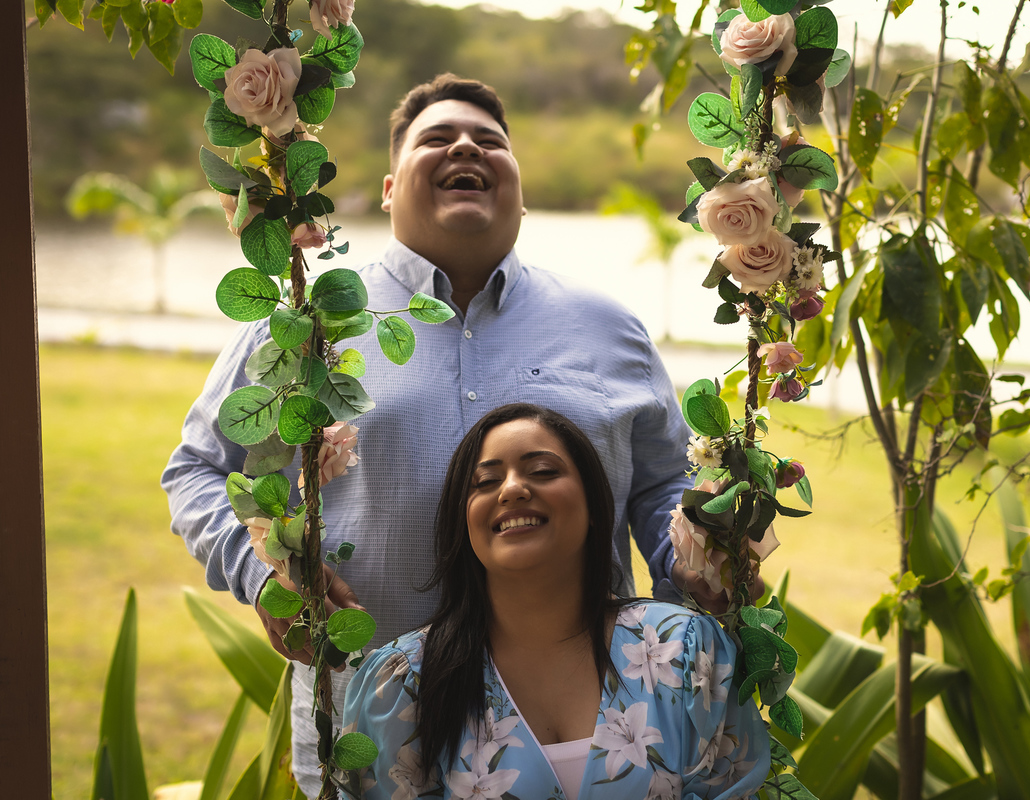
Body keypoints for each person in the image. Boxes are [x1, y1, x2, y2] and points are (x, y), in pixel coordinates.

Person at [162, 74, 720, 797]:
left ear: (517, 185)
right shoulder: (307, 324)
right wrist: (265, 574)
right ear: (391, 188)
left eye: (490, 141)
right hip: (372, 732)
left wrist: (698, 564)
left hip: (589, 739)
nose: (466, 146)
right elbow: (199, 469)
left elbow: (661, 486)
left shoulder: (609, 327)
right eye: (438, 138)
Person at [342, 404, 769, 800]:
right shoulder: (403, 685)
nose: (510, 489)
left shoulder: (684, 650)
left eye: (543, 471)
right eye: (486, 482)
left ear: (595, 507)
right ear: (464, 522)